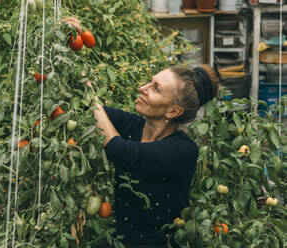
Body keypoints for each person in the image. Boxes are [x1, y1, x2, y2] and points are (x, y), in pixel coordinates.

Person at [65, 18, 221, 248]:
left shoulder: (183, 149)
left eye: (155, 88)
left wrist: (90, 93)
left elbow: (119, 151)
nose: (142, 88)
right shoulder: (135, 126)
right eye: (150, 82)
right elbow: (85, 108)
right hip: (120, 241)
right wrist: (72, 43)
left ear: (173, 110)